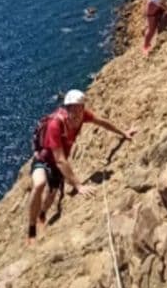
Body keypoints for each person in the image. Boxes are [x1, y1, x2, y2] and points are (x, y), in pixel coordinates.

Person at [27, 89, 136, 244]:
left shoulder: (83, 115)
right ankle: (31, 228)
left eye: (80, 108)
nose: (78, 112)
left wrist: (123, 133)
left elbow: (102, 122)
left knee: (52, 194)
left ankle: (42, 214)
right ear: (67, 108)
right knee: (39, 184)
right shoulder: (55, 125)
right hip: (44, 158)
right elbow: (59, 159)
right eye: (74, 108)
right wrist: (78, 185)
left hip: (58, 161)